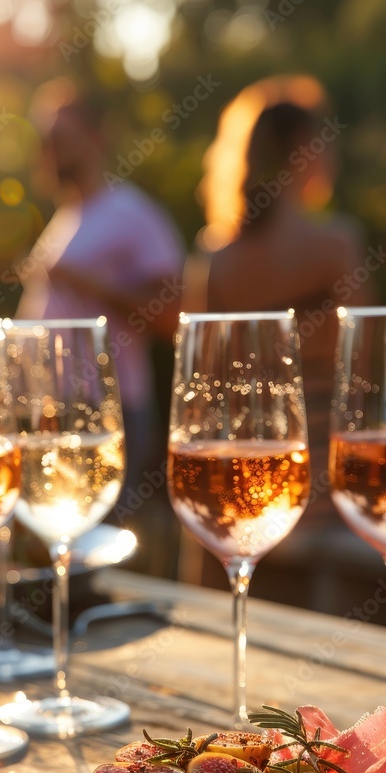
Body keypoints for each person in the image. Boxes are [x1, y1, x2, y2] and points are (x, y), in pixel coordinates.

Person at [181, 75, 376, 610]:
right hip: (326, 482)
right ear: (306, 152)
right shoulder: (338, 244)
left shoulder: (214, 259)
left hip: (238, 481)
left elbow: (197, 391)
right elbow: (367, 371)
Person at [16, 88, 185, 568]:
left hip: (107, 412)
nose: (50, 150)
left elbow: (173, 314)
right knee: (59, 543)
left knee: (100, 549)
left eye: (62, 137)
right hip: (54, 410)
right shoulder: (67, 218)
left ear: (97, 138)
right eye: (45, 140)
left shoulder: (133, 214)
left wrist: (88, 284)